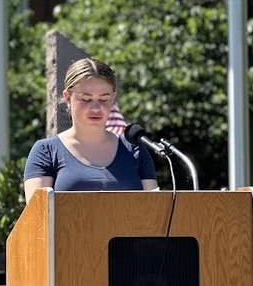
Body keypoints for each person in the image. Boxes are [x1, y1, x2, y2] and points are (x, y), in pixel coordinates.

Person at [24, 58, 158, 202]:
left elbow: (152, 214)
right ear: (68, 98)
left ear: (113, 98)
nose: (95, 108)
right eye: (86, 99)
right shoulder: (46, 151)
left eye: (104, 99)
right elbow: (38, 219)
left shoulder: (135, 150)